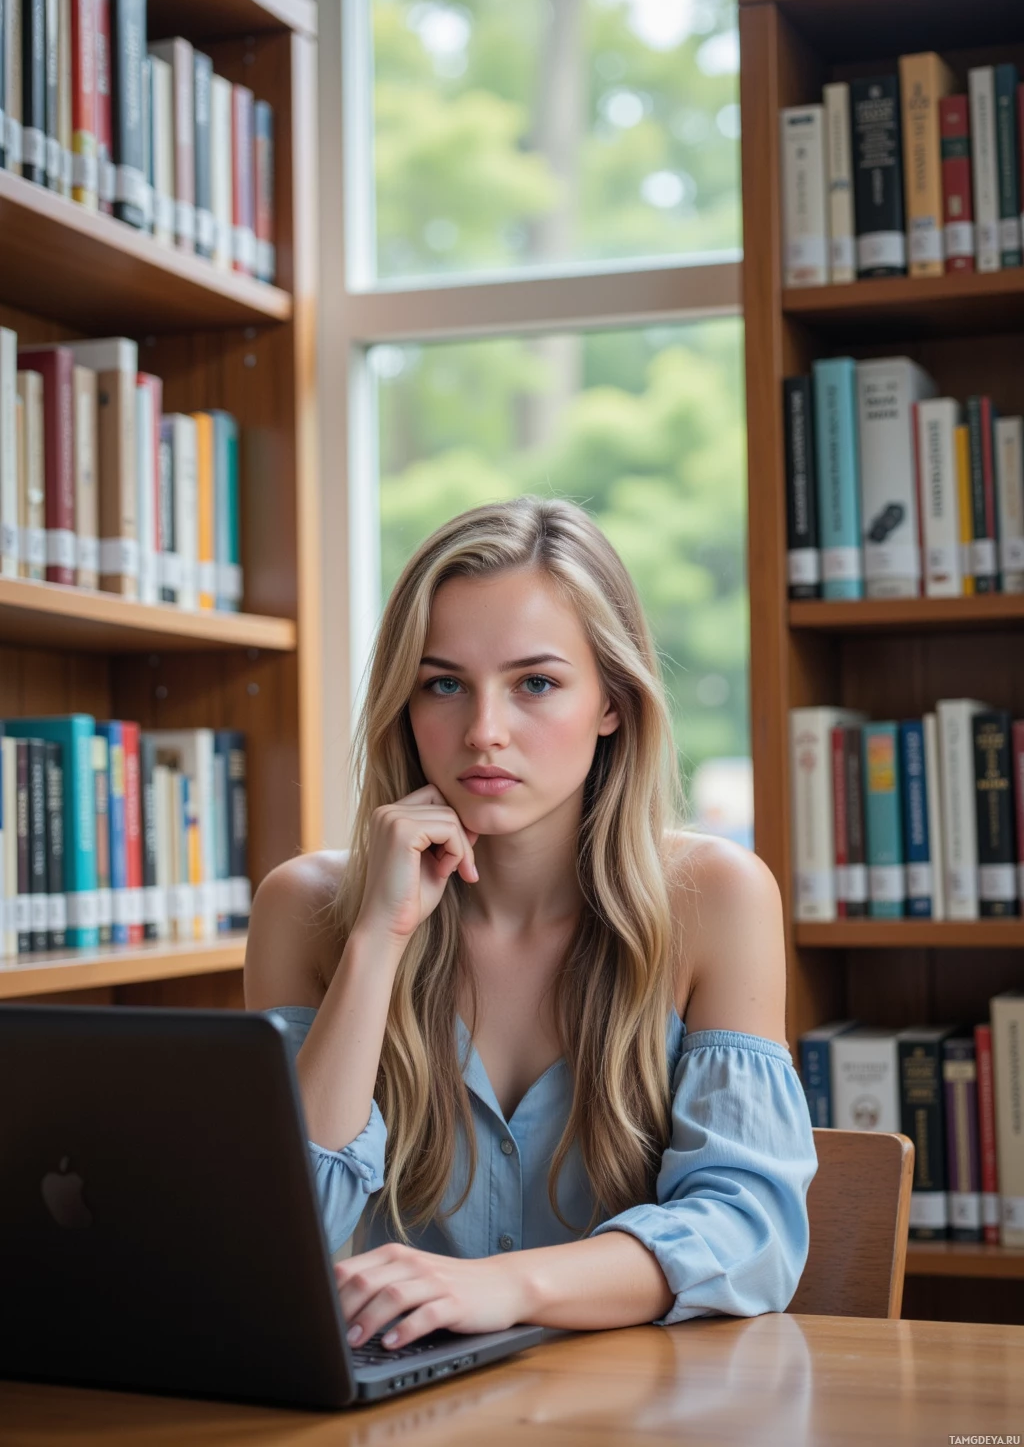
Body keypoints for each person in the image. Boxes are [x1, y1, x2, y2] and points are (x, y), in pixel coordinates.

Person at [245, 496, 817, 1355]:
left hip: (637, 1410)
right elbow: (289, 1232)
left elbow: (749, 1233)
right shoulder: (307, 908)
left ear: (613, 702)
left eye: (536, 684)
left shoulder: (716, 897)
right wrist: (377, 941)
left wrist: (500, 1287)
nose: (484, 732)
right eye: (444, 684)